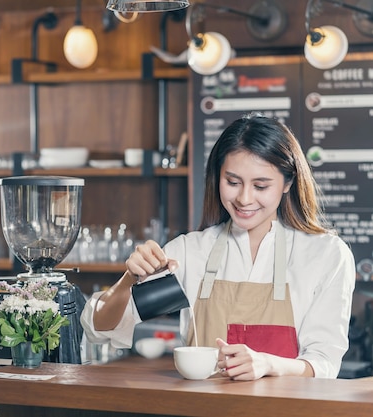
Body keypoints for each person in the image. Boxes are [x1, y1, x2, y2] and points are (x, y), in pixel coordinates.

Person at [81, 113, 355, 380]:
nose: (244, 198)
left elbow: (323, 363)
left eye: (261, 186)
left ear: (288, 183)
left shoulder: (325, 254)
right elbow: (101, 328)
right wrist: (130, 279)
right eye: (233, 182)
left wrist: (268, 364)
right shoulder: (191, 253)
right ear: (217, 177)